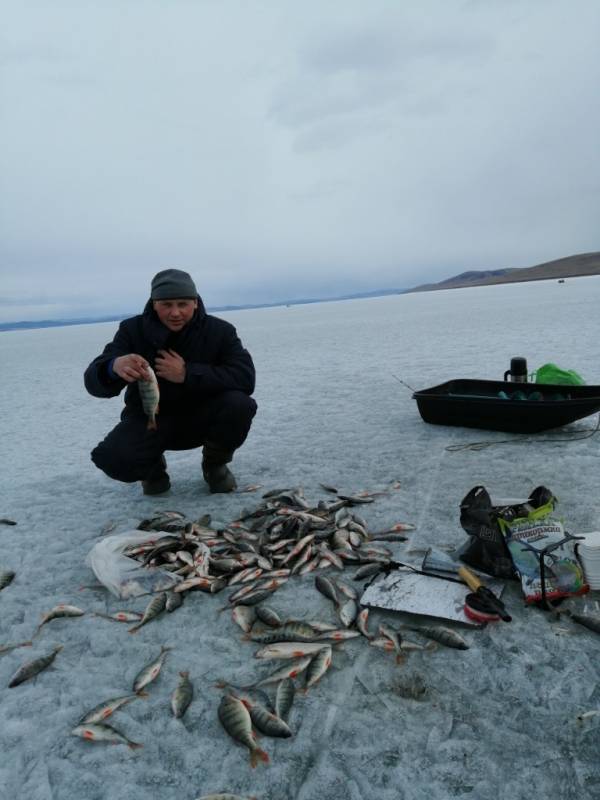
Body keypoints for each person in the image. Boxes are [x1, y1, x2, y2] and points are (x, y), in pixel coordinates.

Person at [84, 268, 257, 495]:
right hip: (150, 418)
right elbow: (93, 382)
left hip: (202, 417)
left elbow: (245, 378)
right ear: (154, 303)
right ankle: (152, 469)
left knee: (240, 405)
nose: (175, 312)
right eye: (166, 304)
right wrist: (112, 367)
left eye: (183, 304)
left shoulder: (220, 331)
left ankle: (214, 465)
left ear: (195, 303)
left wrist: (188, 373)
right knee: (113, 458)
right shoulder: (131, 331)